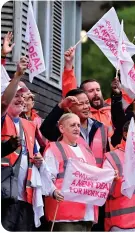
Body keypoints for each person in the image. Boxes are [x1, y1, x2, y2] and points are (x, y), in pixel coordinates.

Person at [1, 57, 44, 231]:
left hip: (25, 198)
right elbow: (4, 102)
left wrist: (39, 160)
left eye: (22, 96)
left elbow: (35, 155)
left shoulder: (30, 125)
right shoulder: (2, 119)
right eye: (16, 96)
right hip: (4, 196)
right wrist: (17, 76)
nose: (20, 99)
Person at [44, 113, 99, 231]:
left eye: (78, 125)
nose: (77, 128)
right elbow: (46, 177)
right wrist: (53, 191)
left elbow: (95, 177)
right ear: (61, 128)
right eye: (73, 125)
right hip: (64, 213)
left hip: (87, 214)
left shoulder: (87, 152)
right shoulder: (54, 148)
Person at [40, 88, 109, 168]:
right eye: (81, 104)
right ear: (69, 107)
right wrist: (61, 106)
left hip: (96, 177)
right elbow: (45, 129)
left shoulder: (101, 127)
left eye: (87, 103)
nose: (86, 107)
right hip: (73, 177)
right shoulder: (64, 128)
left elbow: (106, 154)